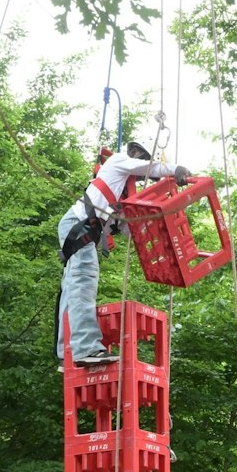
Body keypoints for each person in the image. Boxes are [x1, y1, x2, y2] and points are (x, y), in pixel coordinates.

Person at [57, 140, 193, 365]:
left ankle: (67, 353)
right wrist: (175, 169)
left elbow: (130, 229)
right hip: (78, 225)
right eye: (142, 160)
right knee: (82, 279)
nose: (143, 178)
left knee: (72, 285)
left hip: (81, 228)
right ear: (136, 152)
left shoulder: (122, 189)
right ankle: (85, 349)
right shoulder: (119, 162)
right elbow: (151, 168)